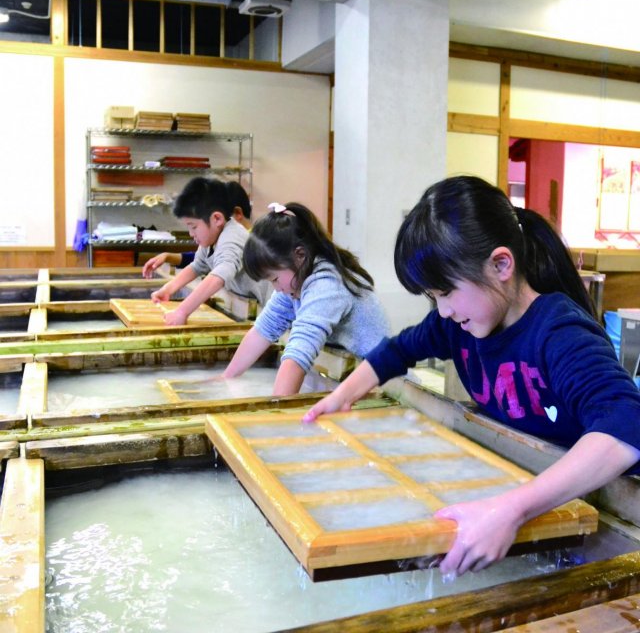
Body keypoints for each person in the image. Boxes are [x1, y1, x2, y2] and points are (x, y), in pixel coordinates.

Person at [302, 175, 640, 576]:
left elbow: (626, 425)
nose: (442, 310)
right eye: (433, 297)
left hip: (584, 514)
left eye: (446, 293)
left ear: (500, 264)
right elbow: (398, 350)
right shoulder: (458, 326)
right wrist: (342, 395)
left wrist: (510, 510)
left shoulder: (559, 333)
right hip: (521, 493)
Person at [221, 201, 390, 396]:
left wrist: (276, 411)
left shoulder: (327, 284)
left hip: (385, 388)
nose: (276, 288)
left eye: (275, 279)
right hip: (350, 380)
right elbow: (264, 329)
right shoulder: (297, 280)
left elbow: (299, 353)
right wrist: (227, 378)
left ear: (300, 255)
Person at [149, 177, 270, 325]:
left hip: (267, 309)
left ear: (217, 219)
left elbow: (218, 277)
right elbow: (196, 266)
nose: (191, 233)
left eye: (193, 226)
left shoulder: (233, 236)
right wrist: (168, 289)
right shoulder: (210, 240)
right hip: (245, 306)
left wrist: (182, 311)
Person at [141, 180, 252, 278]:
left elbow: (217, 266)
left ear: (237, 213)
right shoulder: (218, 238)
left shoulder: (243, 240)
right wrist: (168, 256)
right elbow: (200, 261)